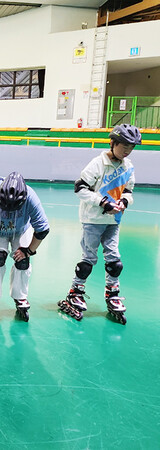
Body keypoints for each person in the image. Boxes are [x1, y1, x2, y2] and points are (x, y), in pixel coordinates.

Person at [58, 124, 141, 324]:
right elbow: (79, 188)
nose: (128, 150)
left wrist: (123, 202)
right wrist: (103, 202)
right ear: (113, 143)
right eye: (124, 146)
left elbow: (128, 191)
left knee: (115, 261)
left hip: (114, 221)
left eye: (131, 147)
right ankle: (75, 291)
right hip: (93, 220)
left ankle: (112, 293)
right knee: (88, 260)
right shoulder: (98, 163)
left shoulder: (128, 166)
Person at [0, 172, 50, 321]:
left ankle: (20, 297)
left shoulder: (30, 197)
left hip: (21, 230)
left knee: (22, 261)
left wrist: (29, 250)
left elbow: (43, 229)